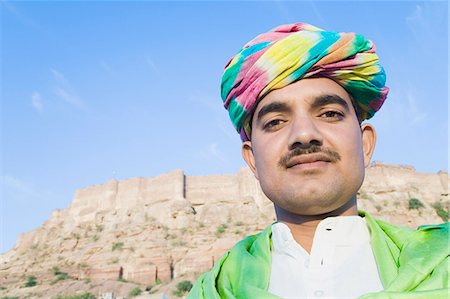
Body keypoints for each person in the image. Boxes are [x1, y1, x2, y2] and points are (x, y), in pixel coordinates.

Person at [188, 22, 448, 299]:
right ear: (252, 160)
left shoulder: (441, 262)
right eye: (276, 121)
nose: (304, 134)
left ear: (365, 143)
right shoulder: (215, 290)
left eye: (329, 114)